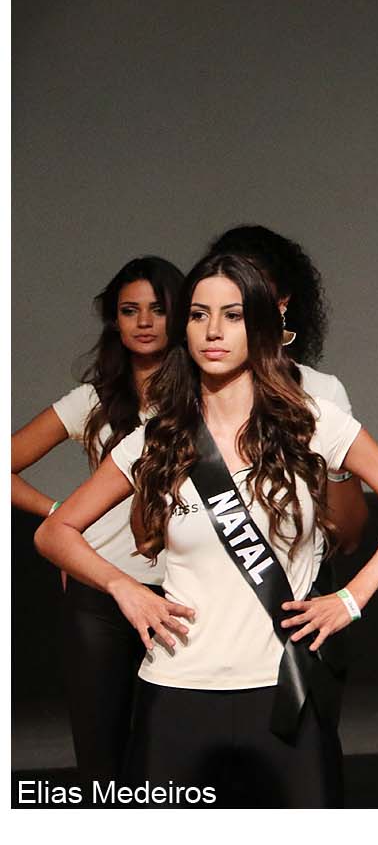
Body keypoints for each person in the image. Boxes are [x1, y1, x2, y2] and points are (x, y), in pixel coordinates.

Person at [34, 254, 378, 806]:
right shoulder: (157, 439)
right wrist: (122, 587)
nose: (214, 331)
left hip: (282, 691)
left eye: (233, 315)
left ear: (262, 326)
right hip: (176, 689)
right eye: (199, 315)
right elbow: (54, 533)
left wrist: (350, 599)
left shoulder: (310, 421)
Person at [11, 256, 183, 786]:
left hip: (184, 592)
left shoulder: (205, 398)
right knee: (102, 758)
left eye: (158, 309)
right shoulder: (93, 401)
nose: (145, 321)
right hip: (102, 592)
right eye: (130, 310)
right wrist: (60, 514)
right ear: (114, 320)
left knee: (175, 758)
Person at [204, 224, 368, 552]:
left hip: (298, 593)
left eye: (254, 292)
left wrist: (335, 468)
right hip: (197, 595)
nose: (240, 307)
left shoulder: (319, 395)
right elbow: (146, 534)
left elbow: (348, 537)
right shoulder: (183, 396)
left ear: (282, 303)